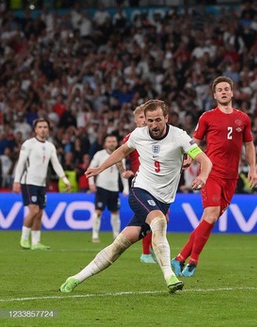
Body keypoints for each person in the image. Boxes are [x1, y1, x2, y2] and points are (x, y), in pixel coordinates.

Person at [59, 99, 212, 294]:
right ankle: (169, 276)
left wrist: (203, 175)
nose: (154, 125)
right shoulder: (139, 135)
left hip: (163, 200)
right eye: (150, 121)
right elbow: (122, 151)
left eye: (158, 120)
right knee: (159, 221)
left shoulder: (179, 136)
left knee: (120, 244)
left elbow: (205, 160)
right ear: (145, 121)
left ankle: (76, 278)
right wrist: (100, 168)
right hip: (141, 190)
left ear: (166, 118)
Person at [172, 76, 257, 277]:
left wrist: (253, 168)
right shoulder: (207, 117)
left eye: (226, 89)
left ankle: (179, 258)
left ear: (232, 92)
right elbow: (194, 140)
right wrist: (190, 158)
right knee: (210, 216)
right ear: (214, 95)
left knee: (208, 220)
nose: (223, 92)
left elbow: (249, 144)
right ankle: (193, 260)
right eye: (219, 90)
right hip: (211, 173)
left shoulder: (243, 118)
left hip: (232, 178)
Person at [13, 118, 71, 250]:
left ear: (48, 129)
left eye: (45, 127)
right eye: (40, 127)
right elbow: (21, 163)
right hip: (29, 182)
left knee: (39, 213)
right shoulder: (29, 144)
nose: (43, 129)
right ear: (35, 130)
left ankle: (36, 242)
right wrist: (16, 181)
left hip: (41, 184)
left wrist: (64, 179)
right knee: (33, 211)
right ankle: (24, 239)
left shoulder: (50, 146)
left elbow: (56, 164)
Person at [120, 104, 158, 263]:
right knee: (151, 218)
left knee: (160, 219)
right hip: (142, 184)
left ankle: (151, 249)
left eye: (146, 117)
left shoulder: (156, 136)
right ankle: (146, 253)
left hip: (158, 183)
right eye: (141, 117)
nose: (144, 120)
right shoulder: (131, 137)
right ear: (136, 120)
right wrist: (123, 171)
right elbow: (120, 155)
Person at [88, 134, 127, 243]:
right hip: (102, 187)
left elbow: (123, 173)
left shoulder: (120, 156)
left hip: (114, 189)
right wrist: (91, 183)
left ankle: (116, 236)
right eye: (109, 141)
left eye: (113, 141)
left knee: (115, 212)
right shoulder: (99, 155)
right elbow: (91, 168)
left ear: (116, 143)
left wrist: (126, 188)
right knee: (98, 211)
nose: (111, 143)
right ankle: (95, 235)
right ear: (105, 143)